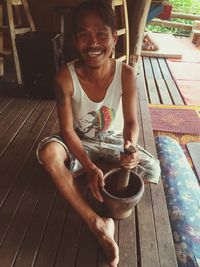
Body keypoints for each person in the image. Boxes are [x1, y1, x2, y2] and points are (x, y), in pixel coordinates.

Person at [36, 1, 161, 266]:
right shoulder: (64, 78)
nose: (93, 42)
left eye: (101, 34)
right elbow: (67, 130)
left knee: (151, 171)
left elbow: (130, 122)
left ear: (114, 38)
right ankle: (97, 222)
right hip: (80, 140)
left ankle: (86, 171)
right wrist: (90, 163)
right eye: (84, 35)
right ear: (75, 40)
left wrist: (130, 147)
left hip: (113, 142)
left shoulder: (126, 74)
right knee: (48, 154)